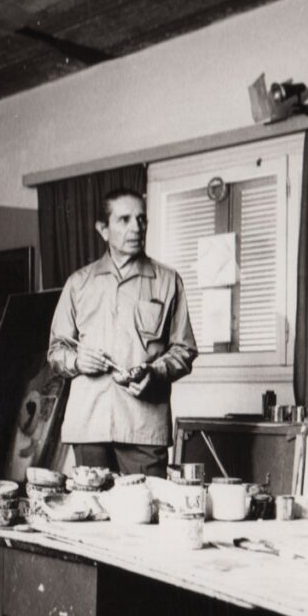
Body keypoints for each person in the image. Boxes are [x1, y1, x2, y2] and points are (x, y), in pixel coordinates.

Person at [48, 187, 197, 479]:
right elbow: (56, 350)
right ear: (103, 229)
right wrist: (77, 361)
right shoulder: (78, 283)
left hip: (144, 426)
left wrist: (155, 372)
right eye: (124, 219)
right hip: (89, 425)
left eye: (141, 219)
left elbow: (185, 349)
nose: (136, 228)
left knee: (147, 504)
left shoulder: (168, 281)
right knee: (93, 505)